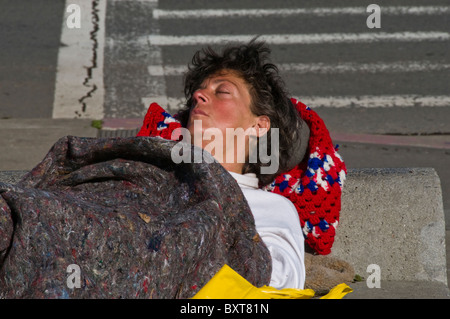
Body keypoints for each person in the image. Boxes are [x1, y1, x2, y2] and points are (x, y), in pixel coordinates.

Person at [175, 39, 308, 289]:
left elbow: (278, 283)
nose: (198, 95)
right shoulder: (161, 179)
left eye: (222, 91)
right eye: (197, 95)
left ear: (259, 125)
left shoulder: (271, 208)